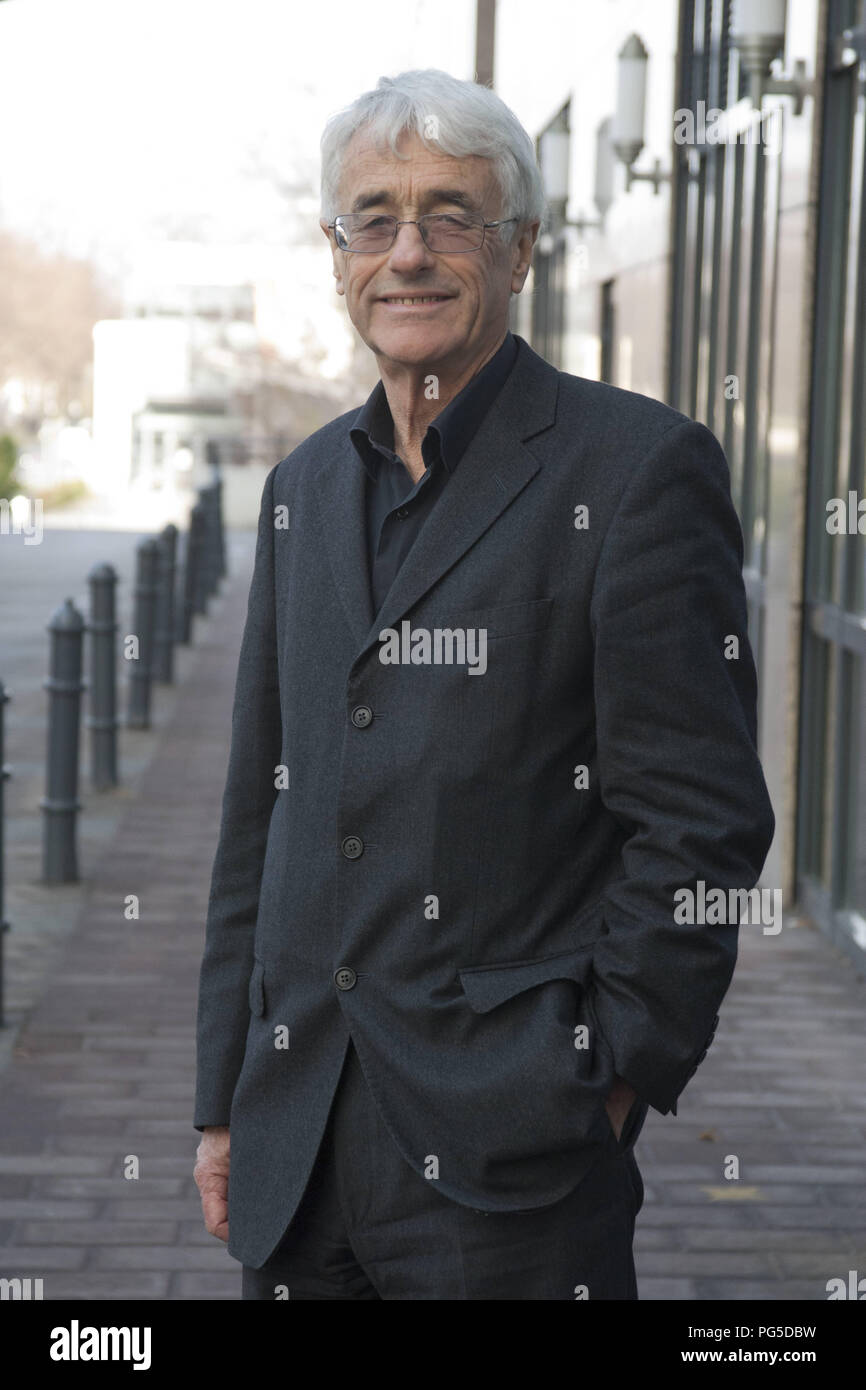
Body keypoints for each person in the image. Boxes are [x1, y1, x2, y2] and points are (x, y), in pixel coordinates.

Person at [192, 68, 774, 1301]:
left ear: (518, 252)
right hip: (296, 1151)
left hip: (510, 1164)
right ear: (336, 253)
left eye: (451, 215)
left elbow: (701, 826)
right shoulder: (300, 489)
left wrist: (605, 1073)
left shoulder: (634, 472)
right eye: (374, 218)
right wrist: (222, 1097)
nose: (408, 252)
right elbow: (264, 817)